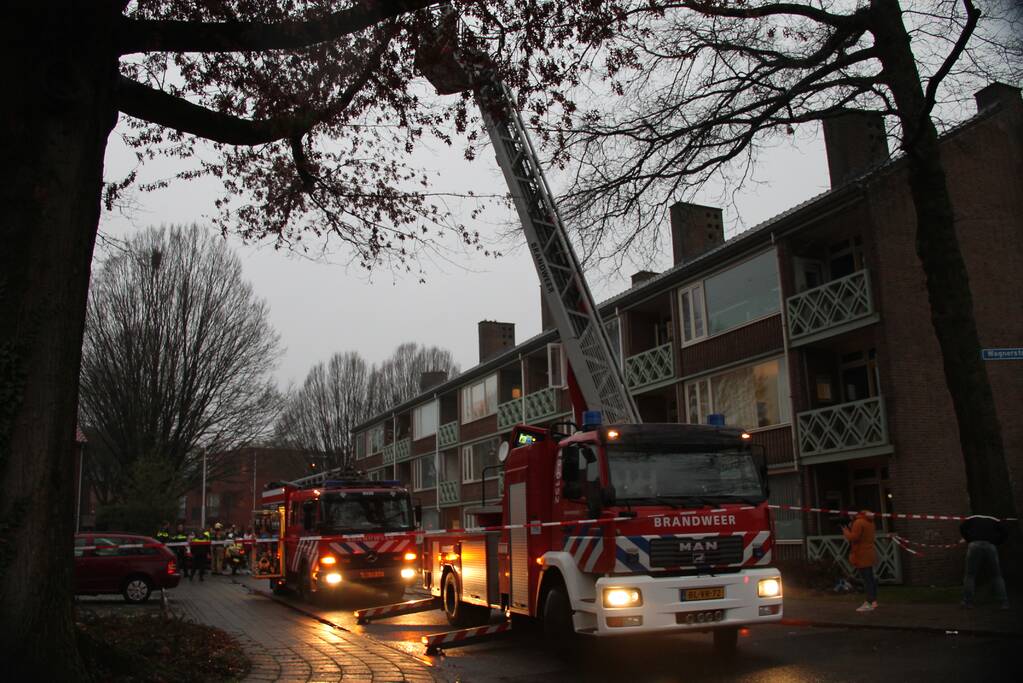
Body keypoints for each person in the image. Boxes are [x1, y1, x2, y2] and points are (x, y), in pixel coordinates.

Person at [960, 514, 1009, 609]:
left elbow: (962, 528)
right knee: (996, 575)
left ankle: (967, 602)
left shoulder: (971, 519)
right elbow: (1005, 532)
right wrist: (997, 541)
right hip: (990, 545)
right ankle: (1004, 603)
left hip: (974, 545)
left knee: (970, 575)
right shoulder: (995, 519)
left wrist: (969, 539)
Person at [842, 509, 878, 612]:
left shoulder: (859, 522)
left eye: (849, 515)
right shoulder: (869, 521)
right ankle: (874, 601)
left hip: (862, 554)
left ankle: (869, 602)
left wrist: (846, 532)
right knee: (870, 578)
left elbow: (854, 537)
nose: (849, 517)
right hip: (869, 552)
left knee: (867, 580)